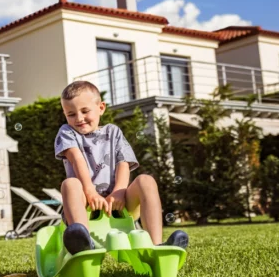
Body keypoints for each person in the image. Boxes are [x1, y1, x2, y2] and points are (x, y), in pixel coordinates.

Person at [55, 80, 189, 255]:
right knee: (70, 184)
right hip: (85, 204)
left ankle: (156, 246)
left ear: (101, 108)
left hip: (119, 205)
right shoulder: (67, 131)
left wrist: (119, 191)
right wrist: (90, 191)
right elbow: (77, 159)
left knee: (146, 180)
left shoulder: (113, 132)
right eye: (71, 114)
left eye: (85, 111)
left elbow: (123, 163)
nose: (79, 118)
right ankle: (84, 243)